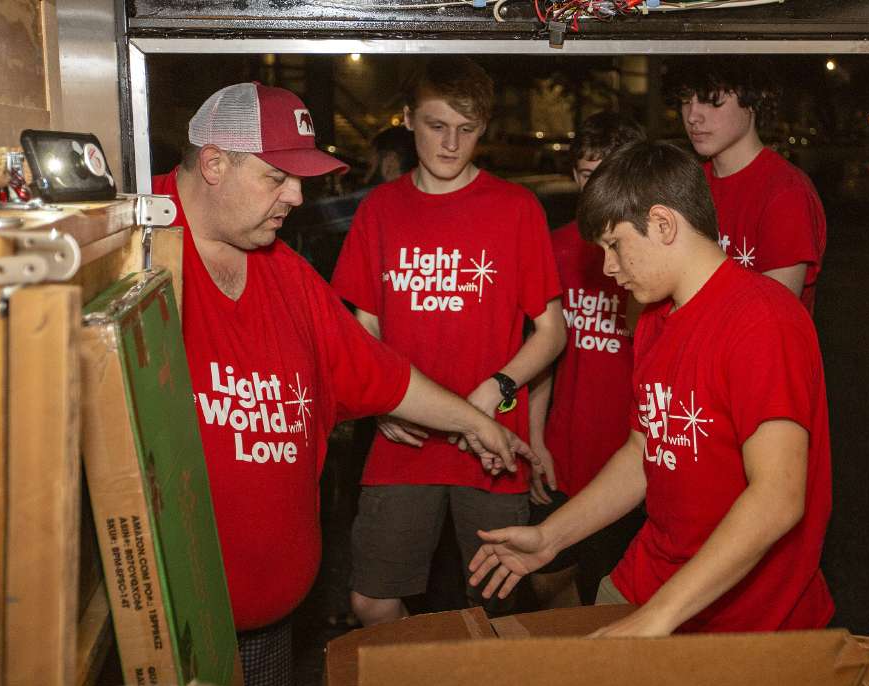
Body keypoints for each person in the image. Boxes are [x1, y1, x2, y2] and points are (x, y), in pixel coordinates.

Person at [152, 81, 539, 686]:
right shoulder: (134, 248)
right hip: (168, 625)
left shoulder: (285, 272)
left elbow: (380, 373)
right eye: (277, 177)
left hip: (271, 619)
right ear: (215, 163)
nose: (296, 196)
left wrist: (476, 422)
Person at [469, 141, 834, 636]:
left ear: (662, 224)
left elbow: (778, 496)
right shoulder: (653, 320)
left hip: (750, 613)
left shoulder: (762, 319)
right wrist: (551, 537)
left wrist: (657, 618)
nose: (608, 267)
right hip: (648, 579)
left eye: (614, 245)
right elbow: (644, 451)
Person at [331, 56, 567, 626]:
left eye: (467, 129)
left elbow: (552, 331)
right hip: (405, 439)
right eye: (437, 126)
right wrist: (381, 401)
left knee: (497, 608)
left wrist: (497, 388)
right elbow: (363, 330)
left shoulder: (516, 208)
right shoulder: (380, 209)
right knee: (370, 599)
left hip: (493, 447)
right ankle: (421, 668)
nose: (451, 143)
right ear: (409, 118)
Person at [525, 111, 646, 608]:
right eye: (586, 174)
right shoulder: (556, 248)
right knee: (545, 576)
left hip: (630, 458)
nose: (596, 189)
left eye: (609, 174)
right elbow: (542, 353)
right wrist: (534, 439)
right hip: (563, 449)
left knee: (613, 592)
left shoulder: (653, 258)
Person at [675, 57, 827, 312]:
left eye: (712, 100)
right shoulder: (687, 184)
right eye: (685, 100)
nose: (692, 116)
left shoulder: (786, 193)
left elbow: (772, 314)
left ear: (753, 102)